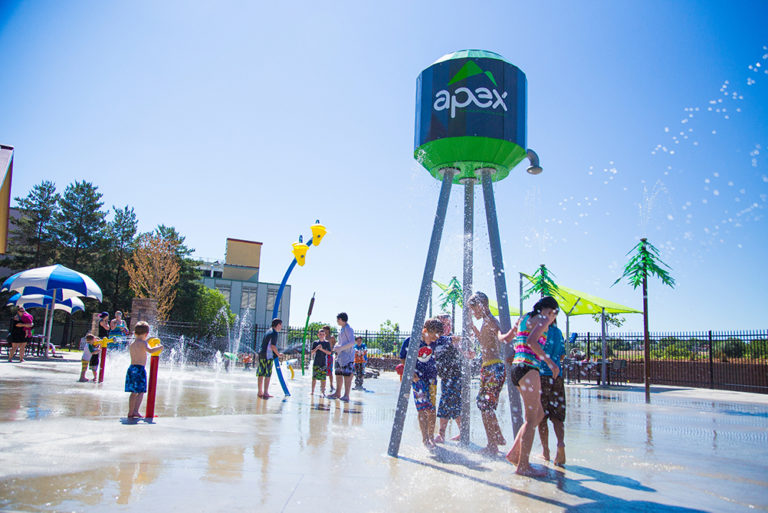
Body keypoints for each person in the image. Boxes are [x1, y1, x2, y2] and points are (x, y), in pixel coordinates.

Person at [499, 296, 560, 477]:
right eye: (552, 314)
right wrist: (551, 363)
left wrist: (497, 334)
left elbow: (505, 338)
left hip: (517, 369)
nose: (552, 318)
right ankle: (523, 465)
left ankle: (514, 454)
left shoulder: (524, 318)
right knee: (531, 420)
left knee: (538, 415)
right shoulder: (542, 319)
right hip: (529, 368)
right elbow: (532, 342)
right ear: (548, 310)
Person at [467, 292, 510, 456]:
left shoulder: (491, 321)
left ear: (482, 306)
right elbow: (484, 340)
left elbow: (500, 336)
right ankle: (498, 437)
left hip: (494, 367)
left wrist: (505, 340)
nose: (473, 313)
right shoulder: (485, 322)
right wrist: (473, 328)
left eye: (474, 309)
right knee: (486, 405)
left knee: (485, 406)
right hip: (488, 367)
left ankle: (492, 445)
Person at [399, 317, 443, 449]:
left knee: (431, 408)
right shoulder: (411, 342)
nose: (435, 340)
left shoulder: (435, 342)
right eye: (433, 336)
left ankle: (431, 436)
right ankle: (425, 438)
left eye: (437, 337)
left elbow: (447, 341)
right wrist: (411, 373)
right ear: (425, 330)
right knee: (422, 409)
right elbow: (402, 357)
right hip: (418, 380)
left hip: (432, 379)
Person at [537, 320, 567, 466]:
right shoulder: (558, 332)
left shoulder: (541, 331)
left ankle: (545, 451)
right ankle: (560, 445)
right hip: (557, 376)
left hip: (541, 375)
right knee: (557, 415)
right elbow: (562, 356)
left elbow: (535, 351)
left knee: (541, 416)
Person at [433, 313, 464, 443]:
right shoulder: (436, 340)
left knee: (447, 402)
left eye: (449, 324)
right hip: (445, 377)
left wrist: (461, 347)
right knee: (453, 404)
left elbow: (462, 350)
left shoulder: (453, 339)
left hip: (455, 376)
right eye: (443, 324)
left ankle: (442, 434)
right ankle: (462, 432)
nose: (447, 326)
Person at [125, 321, 163, 418]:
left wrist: (148, 340)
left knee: (133, 393)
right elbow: (150, 350)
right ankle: (136, 411)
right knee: (141, 392)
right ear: (146, 334)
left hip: (131, 369)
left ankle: (130, 412)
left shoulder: (133, 344)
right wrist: (159, 347)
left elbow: (142, 344)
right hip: (140, 370)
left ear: (135, 333)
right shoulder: (143, 343)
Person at [328, 313, 355, 401]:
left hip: (347, 357)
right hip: (340, 356)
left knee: (347, 375)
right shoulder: (342, 329)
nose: (337, 321)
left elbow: (352, 342)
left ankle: (346, 395)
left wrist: (340, 348)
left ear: (340, 319)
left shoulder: (348, 329)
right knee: (338, 374)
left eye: (337, 320)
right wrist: (337, 346)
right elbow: (342, 342)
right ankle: (337, 392)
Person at [257, 319, 283, 399]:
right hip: (268, 356)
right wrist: (278, 354)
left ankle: (259, 391)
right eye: (281, 325)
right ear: (278, 324)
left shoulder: (268, 331)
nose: (281, 327)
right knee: (267, 374)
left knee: (261, 373)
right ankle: (266, 392)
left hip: (261, 354)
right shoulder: (274, 333)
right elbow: (272, 346)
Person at [310, 328, 332, 396]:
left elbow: (329, 353)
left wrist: (322, 349)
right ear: (318, 335)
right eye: (320, 334)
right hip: (316, 362)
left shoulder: (327, 343)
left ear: (325, 335)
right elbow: (312, 352)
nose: (321, 336)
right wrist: (317, 348)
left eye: (323, 334)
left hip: (323, 363)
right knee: (314, 378)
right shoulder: (315, 342)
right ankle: (312, 391)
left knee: (323, 378)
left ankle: (323, 392)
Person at [323, 326, 335, 394]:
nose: (325, 331)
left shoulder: (331, 338)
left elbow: (335, 344)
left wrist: (334, 351)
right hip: (324, 355)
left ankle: (331, 385)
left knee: (330, 371)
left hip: (329, 355)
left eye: (325, 330)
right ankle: (323, 385)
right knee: (323, 370)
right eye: (324, 330)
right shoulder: (323, 337)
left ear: (328, 330)